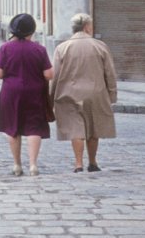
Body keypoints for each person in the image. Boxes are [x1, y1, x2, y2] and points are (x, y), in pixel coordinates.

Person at [51, 13, 117, 173]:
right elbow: (110, 73)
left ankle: (78, 164)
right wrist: (112, 94)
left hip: (70, 93)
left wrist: (51, 97)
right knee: (94, 128)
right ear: (87, 27)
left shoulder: (62, 48)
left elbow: (56, 75)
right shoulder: (100, 46)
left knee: (76, 129)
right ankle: (93, 162)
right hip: (96, 93)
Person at [0, 13, 54, 176]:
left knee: (12, 127)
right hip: (34, 92)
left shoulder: (5, 48)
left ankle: (17, 164)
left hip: (11, 92)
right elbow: (49, 74)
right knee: (34, 127)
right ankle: (33, 165)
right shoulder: (39, 49)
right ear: (31, 31)